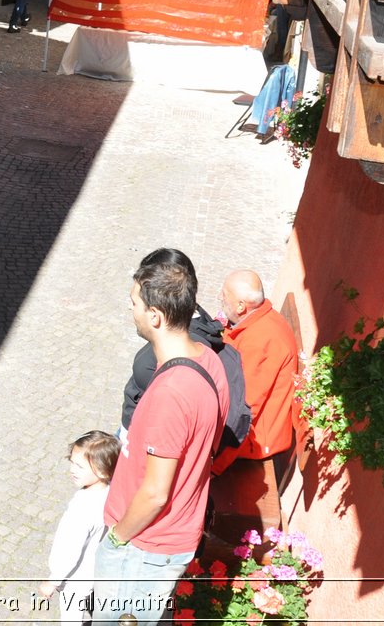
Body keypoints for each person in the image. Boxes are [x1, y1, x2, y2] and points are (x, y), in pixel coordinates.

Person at [93, 249, 229, 626]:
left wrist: (116, 538)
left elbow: (155, 493)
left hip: (143, 547)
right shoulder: (209, 360)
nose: (131, 310)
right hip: (169, 539)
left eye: (134, 303)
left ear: (155, 315)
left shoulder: (170, 393)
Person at [120, 304, 251, 457]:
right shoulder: (199, 343)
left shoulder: (177, 372)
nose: (130, 307)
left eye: (136, 302)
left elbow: (162, 459)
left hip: (141, 442)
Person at [211, 269, 300, 475]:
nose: (219, 298)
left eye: (224, 295)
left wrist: (214, 468)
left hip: (255, 442)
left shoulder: (262, 343)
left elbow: (244, 411)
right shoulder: (257, 320)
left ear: (241, 306)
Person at [40, 430, 120, 625]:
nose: (72, 470)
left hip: (75, 578)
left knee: (71, 617)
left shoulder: (82, 508)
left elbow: (71, 549)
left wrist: (53, 581)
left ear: (102, 471)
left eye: (80, 466)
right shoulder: (108, 492)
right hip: (94, 571)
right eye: (72, 463)